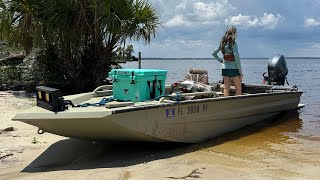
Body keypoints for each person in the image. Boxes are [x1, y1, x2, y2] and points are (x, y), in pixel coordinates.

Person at [212, 26, 243, 96]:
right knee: (238, 89)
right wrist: (240, 71)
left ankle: (226, 104)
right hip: (234, 69)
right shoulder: (233, 44)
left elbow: (214, 53)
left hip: (225, 68)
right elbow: (236, 57)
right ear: (234, 34)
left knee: (226, 88)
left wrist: (221, 61)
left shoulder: (222, 43)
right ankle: (238, 105)